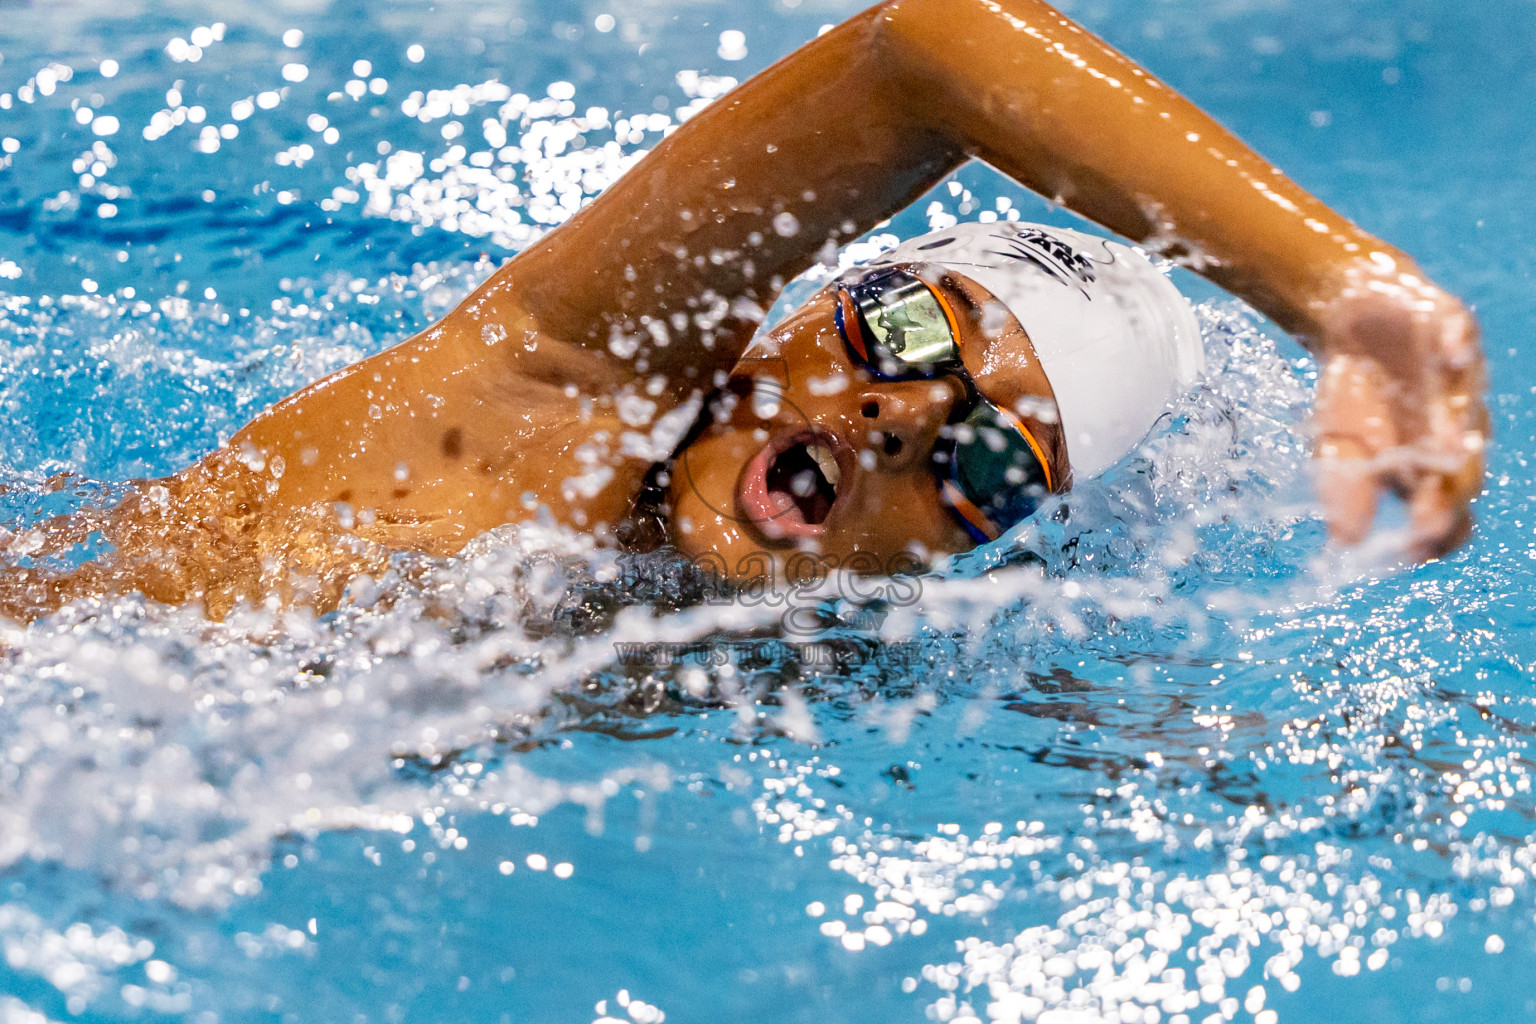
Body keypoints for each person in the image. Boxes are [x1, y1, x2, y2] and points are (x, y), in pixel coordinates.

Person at [3, 0, 1487, 619]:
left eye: (986, 473)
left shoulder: (786, 647)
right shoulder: (569, 391)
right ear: (792, 308)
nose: (909, 418)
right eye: (907, 338)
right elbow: (930, 50)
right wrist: (1345, 297)